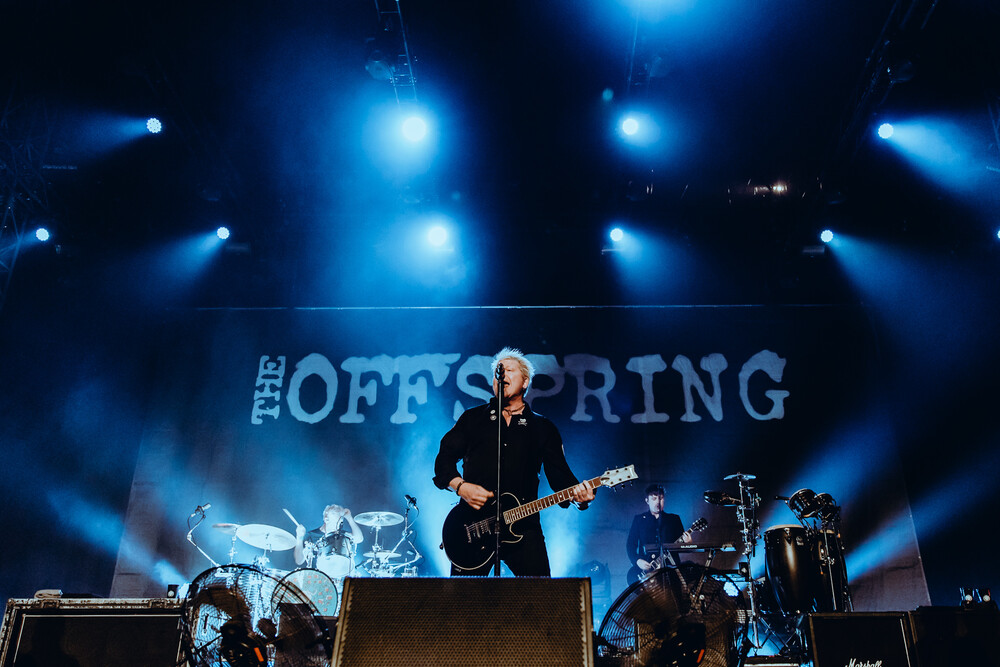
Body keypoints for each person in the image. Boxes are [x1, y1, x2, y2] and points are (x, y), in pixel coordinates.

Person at [434, 347, 595, 576]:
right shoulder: (472, 419)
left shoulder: (543, 427)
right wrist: (461, 487)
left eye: (510, 370)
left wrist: (581, 498)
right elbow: (444, 459)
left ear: (525, 382)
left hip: (524, 526)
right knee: (464, 597)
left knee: (541, 594)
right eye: (498, 371)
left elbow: (561, 478)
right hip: (471, 526)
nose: (502, 374)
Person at [626, 484, 690, 583]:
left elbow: (681, 545)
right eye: (654, 498)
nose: (658, 502)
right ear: (647, 501)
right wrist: (637, 561)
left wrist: (687, 543)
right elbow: (630, 544)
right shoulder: (639, 520)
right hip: (647, 569)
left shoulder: (674, 519)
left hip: (670, 569)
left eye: (661, 498)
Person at [294, 504, 365, 580]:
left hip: (338, 578)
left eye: (340, 523)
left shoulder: (341, 536)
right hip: (316, 579)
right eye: (336, 523)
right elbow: (299, 560)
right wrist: (299, 538)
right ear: (326, 520)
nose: (338, 527)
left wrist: (349, 518)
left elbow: (359, 539)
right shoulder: (311, 535)